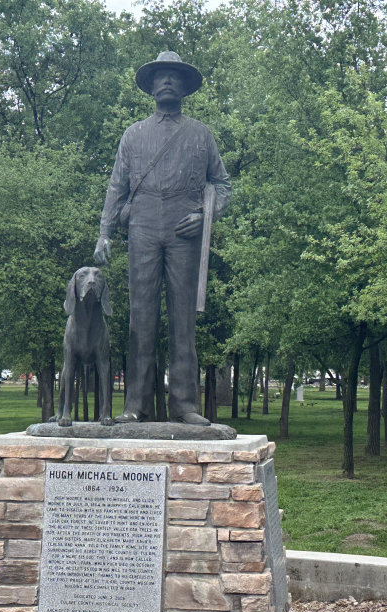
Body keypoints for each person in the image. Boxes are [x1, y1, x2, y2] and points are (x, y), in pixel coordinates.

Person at [94, 51, 231, 425]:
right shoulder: (134, 134)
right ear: (151, 86)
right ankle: (136, 405)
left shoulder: (201, 134)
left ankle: (185, 405)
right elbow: (116, 187)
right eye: (161, 76)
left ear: (184, 87)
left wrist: (205, 215)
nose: (167, 81)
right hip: (142, 227)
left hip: (184, 229)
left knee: (183, 319)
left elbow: (222, 184)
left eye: (174, 76)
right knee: (142, 318)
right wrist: (105, 232)